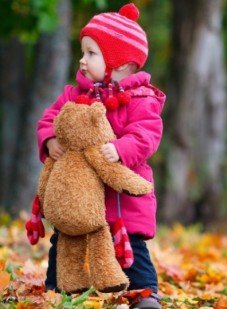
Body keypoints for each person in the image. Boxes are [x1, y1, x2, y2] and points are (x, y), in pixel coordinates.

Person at [35, 3, 164, 309]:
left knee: (129, 246)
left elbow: (147, 135)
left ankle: (144, 294)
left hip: (122, 197)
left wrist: (121, 149)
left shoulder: (140, 99)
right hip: (79, 195)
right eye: (83, 52)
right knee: (65, 239)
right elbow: (49, 119)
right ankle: (59, 288)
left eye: (92, 54)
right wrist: (50, 139)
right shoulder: (74, 95)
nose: (82, 60)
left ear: (121, 64)